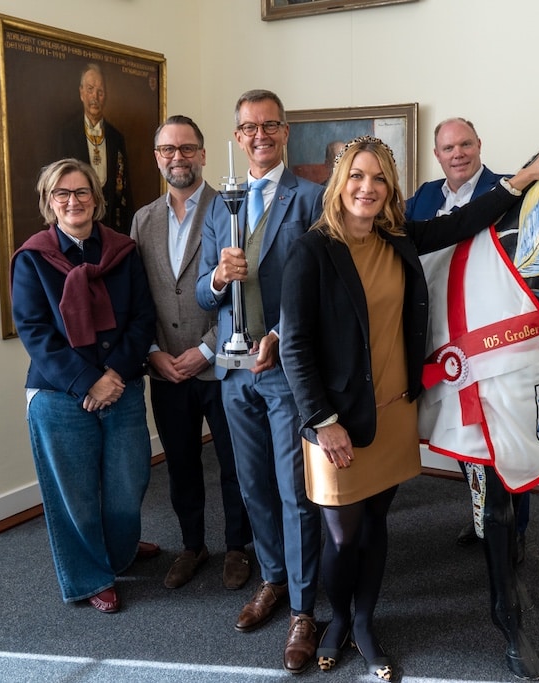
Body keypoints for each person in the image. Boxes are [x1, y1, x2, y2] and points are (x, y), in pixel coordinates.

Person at [280, 134, 539, 680]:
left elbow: (464, 223)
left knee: (374, 526)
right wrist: (322, 422)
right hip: (336, 423)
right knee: (342, 537)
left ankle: (365, 622)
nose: (367, 188)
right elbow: (294, 346)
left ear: (391, 189)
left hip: (392, 414)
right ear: (340, 183)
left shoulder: (399, 238)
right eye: (358, 176)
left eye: (380, 178)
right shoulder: (311, 249)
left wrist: (524, 178)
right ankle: (337, 618)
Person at [195, 89, 325, 674]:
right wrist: (220, 277)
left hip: (282, 369)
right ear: (238, 135)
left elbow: (320, 286)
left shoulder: (312, 199)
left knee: (294, 490)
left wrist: (280, 333)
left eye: (270, 125)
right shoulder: (219, 202)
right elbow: (202, 292)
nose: (259, 135)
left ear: (285, 132)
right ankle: (272, 578)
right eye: (249, 127)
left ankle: (303, 608)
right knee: (252, 486)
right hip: (232, 372)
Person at [10, 158, 158, 614]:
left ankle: (119, 551)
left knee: (127, 482)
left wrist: (112, 373)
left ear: (96, 198)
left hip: (122, 385)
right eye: (62, 194)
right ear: (48, 203)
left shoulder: (122, 250)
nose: (73, 201)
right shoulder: (33, 257)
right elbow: (34, 331)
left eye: (81, 192)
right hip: (58, 394)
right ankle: (92, 576)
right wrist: (88, 380)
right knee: (73, 493)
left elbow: (141, 317)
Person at [130, 115, 253, 592]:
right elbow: (138, 298)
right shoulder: (144, 219)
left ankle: (238, 548)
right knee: (181, 465)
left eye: (186, 148)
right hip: (166, 371)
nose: (176, 157)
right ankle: (193, 545)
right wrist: (154, 351)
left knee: (232, 463)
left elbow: (243, 290)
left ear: (203, 154)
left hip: (221, 365)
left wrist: (207, 348)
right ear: (157, 157)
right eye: (167, 150)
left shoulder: (232, 209)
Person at [404, 117, 530, 555]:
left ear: (479, 145)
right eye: (448, 148)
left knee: (503, 438)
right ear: (437, 155)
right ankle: (481, 514)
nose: (457, 154)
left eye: (465, 145)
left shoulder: (511, 191)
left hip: (488, 338)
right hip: (437, 335)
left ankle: (512, 531)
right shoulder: (421, 197)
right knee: (463, 432)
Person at [58, 63, 134, 233]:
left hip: (112, 227)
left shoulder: (116, 137)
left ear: (105, 96)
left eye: (100, 92)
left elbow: (125, 190)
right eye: (90, 89)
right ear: (81, 93)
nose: (95, 96)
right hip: (77, 225)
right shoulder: (67, 135)